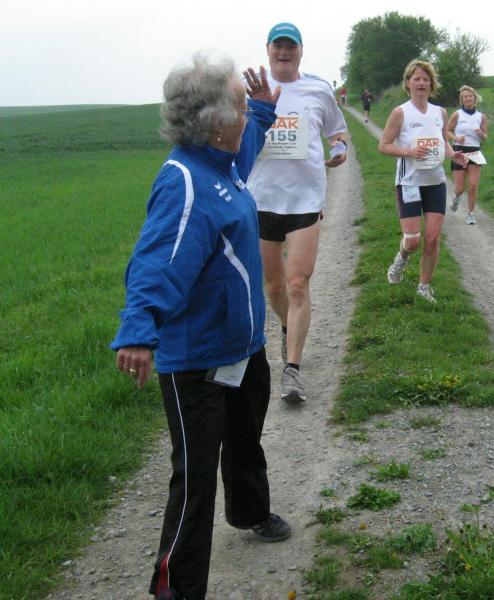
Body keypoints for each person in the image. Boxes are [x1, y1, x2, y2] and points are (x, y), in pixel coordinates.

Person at [111, 54, 289, 600]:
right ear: (216, 123)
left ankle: (251, 511)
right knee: (194, 482)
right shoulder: (185, 182)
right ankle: (177, 589)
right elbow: (157, 260)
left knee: (246, 439)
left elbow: (246, 151)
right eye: (241, 105)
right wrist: (138, 329)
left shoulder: (221, 164)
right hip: (197, 363)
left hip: (244, 348)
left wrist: (263, 111)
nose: (245, 114)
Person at [246, 22, 348, 404]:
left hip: (305, 200)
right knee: (274, 287)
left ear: (301, 51)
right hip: (261, 200)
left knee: (297, 283)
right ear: (268, 49)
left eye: (291, 46)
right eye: (278, 46)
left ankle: (292, 370)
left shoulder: (318, 89)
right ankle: (289, 327)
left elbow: (337, 131)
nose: (284, 52)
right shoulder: (249, 90)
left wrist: (339, 149)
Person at [378, 59, 465, 303]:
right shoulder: (400, 112)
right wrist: (409, 152)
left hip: (436, 182)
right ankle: (401, 259)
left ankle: (424, 287)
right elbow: (383, 145)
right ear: (408, 83)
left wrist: (453, 154)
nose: (421, 83)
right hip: (409, 182)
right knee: (413, 240)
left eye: (426, 79)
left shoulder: (440, 112)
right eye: (416, 79)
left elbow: (443, 141)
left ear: (431, 84)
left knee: (433, 238)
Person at [446, 84, 488, 225]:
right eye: (465, 97)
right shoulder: (457, 114)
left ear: (474, 98)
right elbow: (447, 131)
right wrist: (456, 138)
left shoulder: (481, 116)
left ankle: (470, 214)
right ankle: (456, 197)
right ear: (462, 100)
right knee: (460, 188)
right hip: (459, 151)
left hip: (474, 152)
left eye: (470, 96)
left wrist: (481, 133)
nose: (468, 98)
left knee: (473, 185)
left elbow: (485, 137)